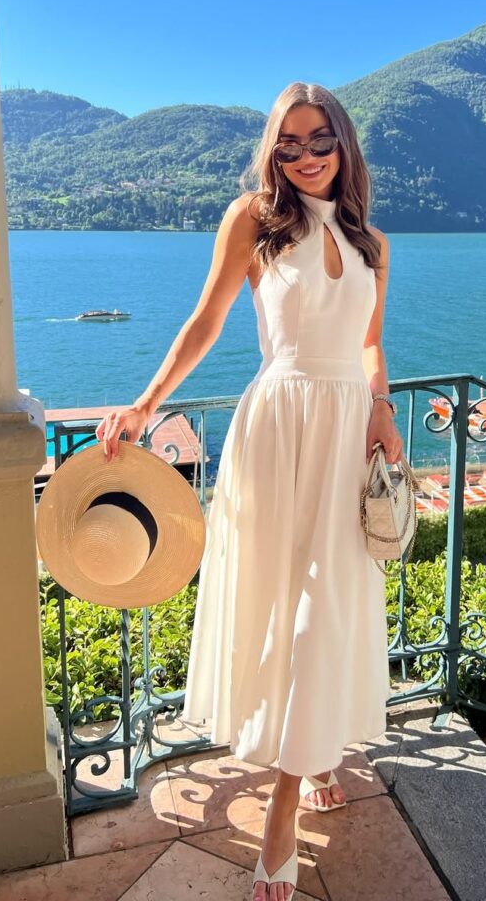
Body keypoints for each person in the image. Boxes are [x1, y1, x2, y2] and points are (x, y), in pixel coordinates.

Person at [96, 83, 401, 901]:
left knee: (328, 602)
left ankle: (315, 750)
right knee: (289, 605)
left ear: (343, 143)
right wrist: (146, 403)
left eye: (318, 140)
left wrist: (383, 414)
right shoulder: (254, 221)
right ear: (272, 154)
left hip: (345, 431)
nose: (304, 157)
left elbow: (370, 344)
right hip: (280, 428)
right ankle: (286, 800)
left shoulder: (371, 241)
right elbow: (205, 322)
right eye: (288, 145)